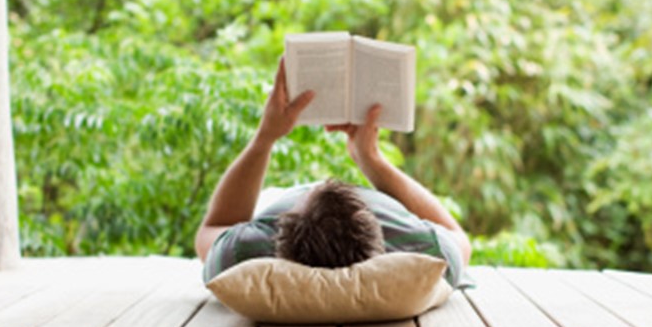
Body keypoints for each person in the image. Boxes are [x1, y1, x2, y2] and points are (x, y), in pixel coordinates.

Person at [196, 58, 472, 288]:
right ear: (383, 238)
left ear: (280, 232)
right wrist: (370, 158)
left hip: (275, 200)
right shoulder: (428, 255)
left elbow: (211, 229)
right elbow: (457, 236)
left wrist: (264, 138)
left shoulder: (245, 252)